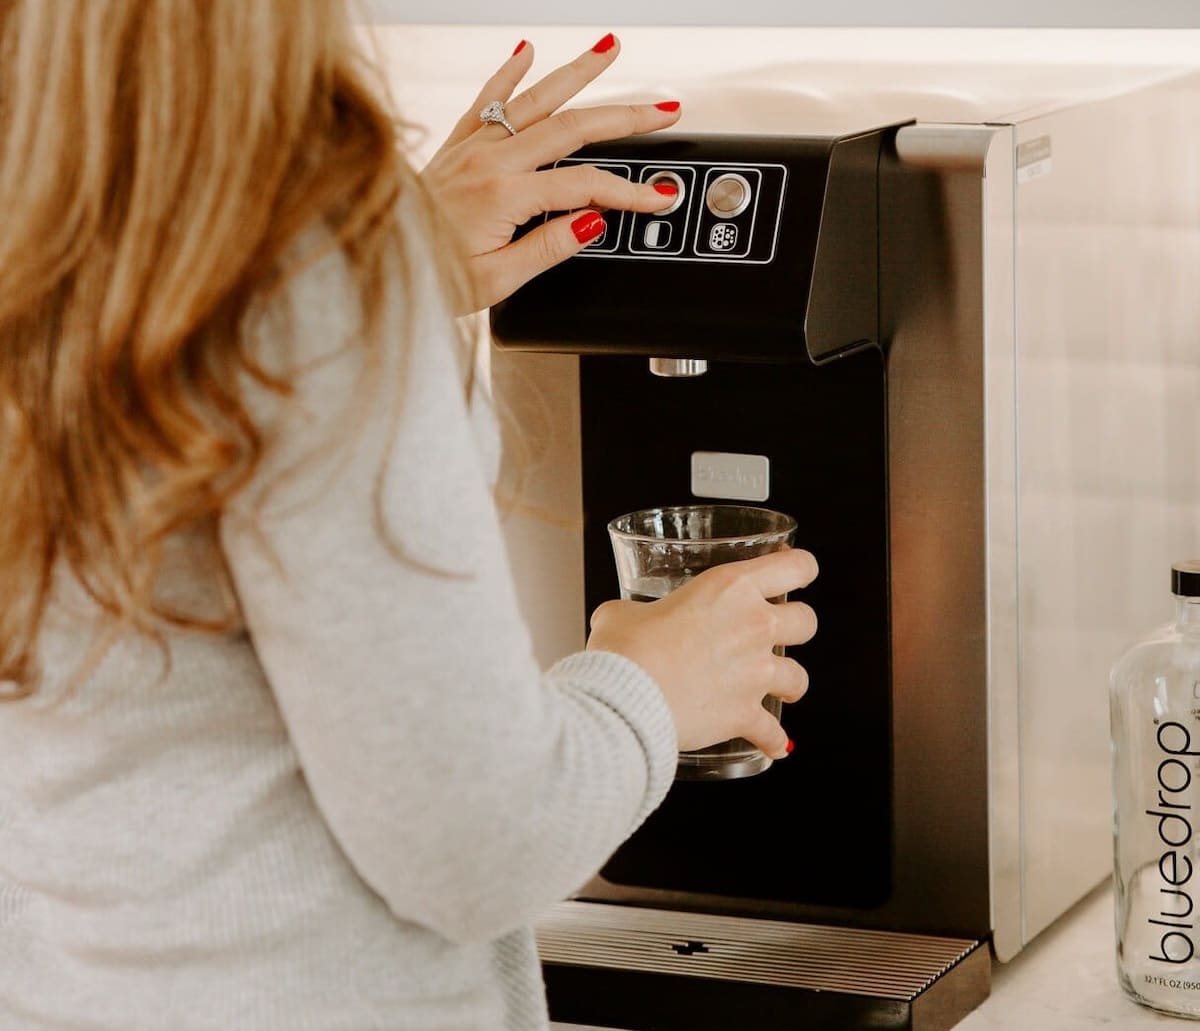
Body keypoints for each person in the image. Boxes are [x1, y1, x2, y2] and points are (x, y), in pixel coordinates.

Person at [0, 2, 818, 1028]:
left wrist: (394, 270)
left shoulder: (51, 217)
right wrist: (654, 682)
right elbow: (480, 845)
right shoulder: (301, 257)